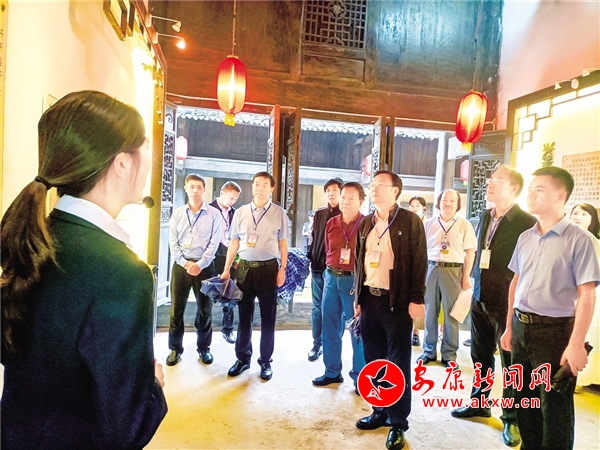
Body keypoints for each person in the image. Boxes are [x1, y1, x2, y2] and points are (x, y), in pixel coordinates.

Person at [0, 90, 168, 448]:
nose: (149, 162)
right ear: (122, 163)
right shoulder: (123, 274)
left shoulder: (34, 240)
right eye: (146, 150)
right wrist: (153, 385)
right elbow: (125, 430)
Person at [500, 166, 600, 450]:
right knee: (524, 399)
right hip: (521, 327)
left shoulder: (581, 240)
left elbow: (587, 294)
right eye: (530, 190)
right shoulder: (526, 237)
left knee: (554, 406)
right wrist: (509, 327)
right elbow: (515, 283)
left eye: (539, 190)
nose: (531, 195)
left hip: (554, 332)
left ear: (560, 195)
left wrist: (576, 344)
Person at [450, 166, 536, 448]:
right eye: (490, 180)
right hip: (480, 295)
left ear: (514, 188)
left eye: (497, 181)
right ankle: (479, 402)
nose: (490, 184)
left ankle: (512, 417)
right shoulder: (486, 215)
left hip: (507, 300)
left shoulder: (526, 222)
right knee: (480, 354)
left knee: (511, 361)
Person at [353, 170, 427, 450]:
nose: (374, 189)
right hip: (369, 300)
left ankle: (397, 422)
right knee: (374, 360)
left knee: (397, 362)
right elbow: (359, 262)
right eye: (372, 185)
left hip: (397, 302)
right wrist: (358, 299)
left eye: (380, 185)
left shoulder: (409, 221)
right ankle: (379, 410)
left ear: (396, 190)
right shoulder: (366, 222)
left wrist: (417, 298)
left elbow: (420, 261)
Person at [220, 171, 288, 381]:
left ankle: (265, 361)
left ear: (272, 189)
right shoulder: (241, 212)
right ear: (252, 186)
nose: (260, 187)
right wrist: (226, 268)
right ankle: (242, 358)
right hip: (244, 268)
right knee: (244, 315)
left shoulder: (279, 213)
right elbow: (234, 242)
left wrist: (282, 269)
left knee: (268, 317)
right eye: (257, 184)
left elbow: (283, 243)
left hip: (268, 269)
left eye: (265, 184)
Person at [312, 182, 366, 391]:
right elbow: (328, 250)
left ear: (361, 201)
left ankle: (360, 377)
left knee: (357, 329)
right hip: (331, 278)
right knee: (330, 326)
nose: (345, 202)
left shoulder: (367, 224)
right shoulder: (331, 223)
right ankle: (332, 372)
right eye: (343, 197)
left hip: (354, 280)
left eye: (351, 198)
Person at [166, 174, 222, 366]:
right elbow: (173, 242)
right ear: (186, 188)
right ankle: (175, 348)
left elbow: (214, 243)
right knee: (176, 309)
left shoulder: (214, 214)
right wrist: (185, 263)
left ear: (204, 189)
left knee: (205, 309)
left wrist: (200, 264)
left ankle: (204, 348)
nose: (195, 190)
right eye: (192, 186)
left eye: (199, 187)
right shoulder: (177, 214)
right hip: (181, 267)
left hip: (205, 268)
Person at [418, 189, 476, 368]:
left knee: (452, 313)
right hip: (431, 268)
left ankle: (449, 354)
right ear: (439, 202)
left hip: (454, 270)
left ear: (457, 204)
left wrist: (466, 276)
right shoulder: (428, 224)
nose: (448, 203)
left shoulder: (464, 225)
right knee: (430, 312)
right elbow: (420, 250)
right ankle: (428, 351)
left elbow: (470, 252)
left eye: (452, 200)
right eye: (445, 200)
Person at [307, 177, 343, 361]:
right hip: (318, 267)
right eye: (328, 190)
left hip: (336, 271)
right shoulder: (320, 213)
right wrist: (310, 255)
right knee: (317, 308)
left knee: (335, 309)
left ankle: (333, 344)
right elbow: (313, 238)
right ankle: (317, 343)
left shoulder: (346, 214)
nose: (331, 193)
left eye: (334, 190)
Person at [569, 203, 600, 388]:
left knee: (589, 333)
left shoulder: (593, 241)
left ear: (592, 220)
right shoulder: (564, 239)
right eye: (575, 213)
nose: (578, 217)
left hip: (589, 294)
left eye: (584, 214)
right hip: (568, 296)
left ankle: (588, 377)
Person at [210, 181, 242, 344]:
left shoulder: (235, 213)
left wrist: (236, 260)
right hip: (211, 256)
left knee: (230, 294)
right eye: (231, 198)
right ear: (222, 193)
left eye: (235, 199)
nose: (233, 201)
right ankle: (204, 332)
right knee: (207, 294)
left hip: (230, 255)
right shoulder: (208, 209)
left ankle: (228, 329)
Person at [408, 195, 427, 346]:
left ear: (423, 208)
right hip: (407, 265)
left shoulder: (427, 223)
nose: (414, 208)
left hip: (423, 264)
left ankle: (416, 332)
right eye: (412, 205)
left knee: (418, 298)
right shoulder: (406, 222)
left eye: (417, 205)